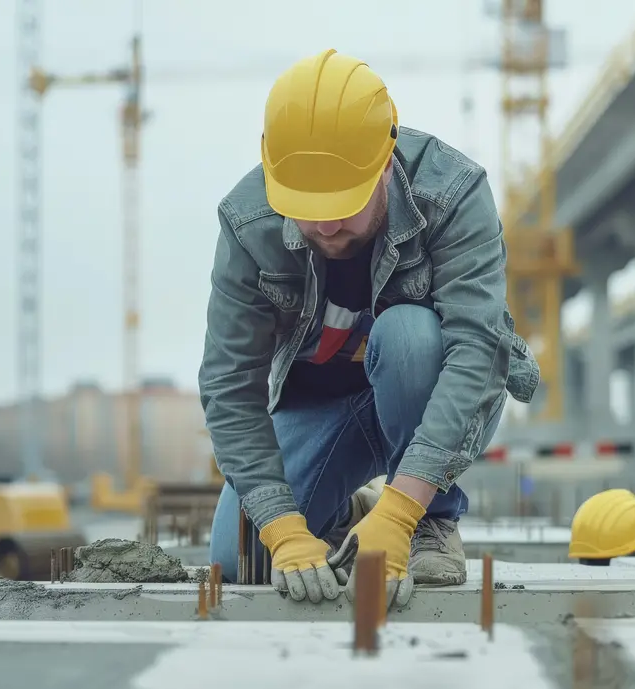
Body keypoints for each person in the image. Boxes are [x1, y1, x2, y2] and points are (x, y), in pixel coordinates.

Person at [198, 48, 539, 610]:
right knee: (241, 558)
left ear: (385, 162)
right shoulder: (247, 223)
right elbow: (229, 387)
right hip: (324, 411)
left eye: (343, 203)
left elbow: (476, 353)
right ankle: (355, 513)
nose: (327, 224)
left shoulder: (451, 194)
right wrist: (283, 530)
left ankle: (430, 518)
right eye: (307, 206)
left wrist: (402, 513)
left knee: (409, 336)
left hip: (421, 393)